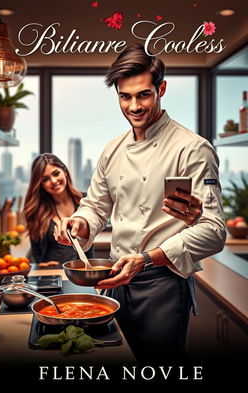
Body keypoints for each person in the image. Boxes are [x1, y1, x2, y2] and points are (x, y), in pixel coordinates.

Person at [54, 44, 226, 364]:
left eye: (143, 95)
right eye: (125, 96)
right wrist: (80, 223)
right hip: (114, 280)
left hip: (162, 283)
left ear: (161, 89)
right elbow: (96, 205)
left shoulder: (192, 149)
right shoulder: (113, 149)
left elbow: (214, 231)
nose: (134, 106)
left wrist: (146, 259)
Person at [23, 153, 94, 264]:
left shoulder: (85, 201)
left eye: (56, 174)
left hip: (82, 272)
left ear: (65, 171)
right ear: (40, 184)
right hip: (51, 273)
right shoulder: (36, 210)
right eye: (45, 179)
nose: (53, 181)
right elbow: (36, 251)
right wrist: (41, 265)